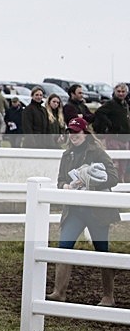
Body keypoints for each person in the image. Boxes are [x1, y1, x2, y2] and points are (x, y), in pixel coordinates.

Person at [47, 117, 119, 307]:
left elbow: (113, 178)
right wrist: (66, 186)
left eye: (77, 132)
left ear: (85, 133)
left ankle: (108, 296)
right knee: (64, 245)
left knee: (102, 250)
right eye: (70, 132)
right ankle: (59, 292)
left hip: (97, 211)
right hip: (74, 210)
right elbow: (60, 180)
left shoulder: (98, 152)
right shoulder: (67, 155)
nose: (73, 135)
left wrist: (91, 181)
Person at [93, 83, 130, 182]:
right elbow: (99, 112)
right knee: (114, 163)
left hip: (125, 138)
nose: (121, 94)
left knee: (124, 164)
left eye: (123, 92)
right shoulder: (111, 104)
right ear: (114, 92)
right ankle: (114, 182)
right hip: (114, 138)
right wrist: (110, 124)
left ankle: (121, 182)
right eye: (118, 91)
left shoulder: (125, 105)